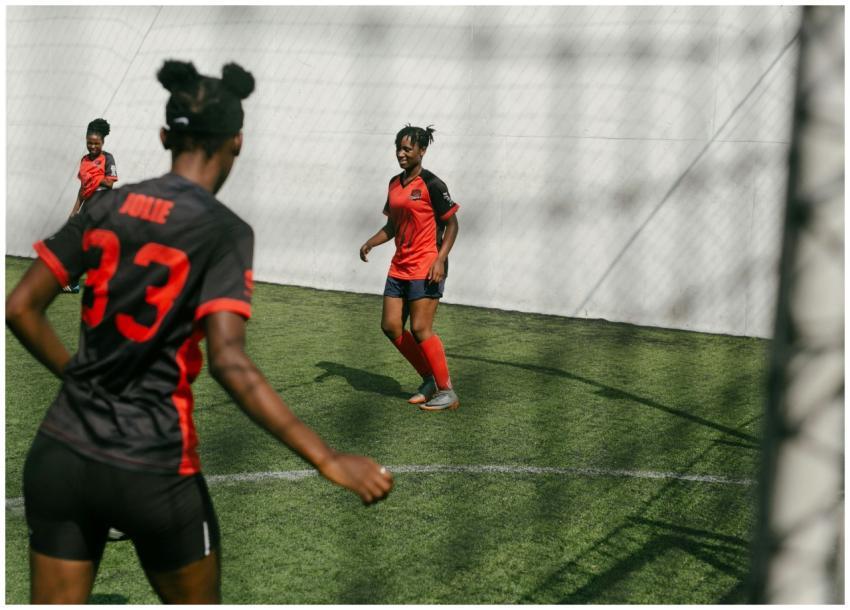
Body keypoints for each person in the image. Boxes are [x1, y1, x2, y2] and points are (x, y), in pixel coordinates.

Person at [6, 59, 393, 605]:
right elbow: (229, 362)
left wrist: (78, 376)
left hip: (61, 453)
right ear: (237, 142)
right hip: (154, 463)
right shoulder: (223, 231)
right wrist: (327, 458)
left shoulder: (108, 205)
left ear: (165, 136)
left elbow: (21, 307)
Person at [359, 125, 461, 411]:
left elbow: (452, 223)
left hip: (427, 265)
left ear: (422, 151)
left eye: (407, 149)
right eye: (398, 148)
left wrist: (440, 259)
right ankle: (428, 379)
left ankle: (446, 391)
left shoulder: (433, 185)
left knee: (420, 328)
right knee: (391, 326)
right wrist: (371, 242)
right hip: (399, 267)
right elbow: (392, 226)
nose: (401, 154)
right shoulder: (394, 183)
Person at [62, 118, 118, 293]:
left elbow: (110, 183)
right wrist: (75, 210)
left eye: (96, 143)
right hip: (88, 204)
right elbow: (83, 187)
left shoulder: (107, 158)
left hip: (102, 203)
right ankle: (74, 283)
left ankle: (109, 283)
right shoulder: (84, 160)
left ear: (103, 142)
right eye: (89, 143)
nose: (93, 146)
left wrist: (97, 177)